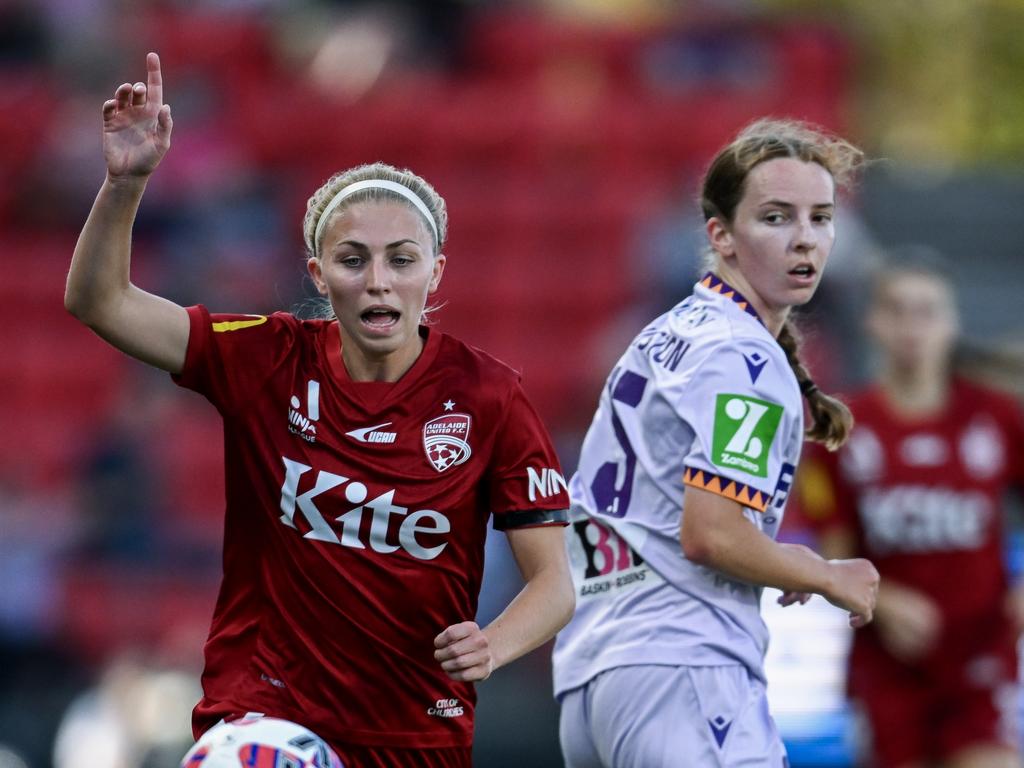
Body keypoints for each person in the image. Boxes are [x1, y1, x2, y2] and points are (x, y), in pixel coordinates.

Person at [65, 52, 575, 768]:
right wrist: (125, 184)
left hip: (414, 732)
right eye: (353, 260)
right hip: (265, 713)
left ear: (435, 272)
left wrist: (495, 643)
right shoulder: (264, 357)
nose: (378, 282)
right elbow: (100, 301)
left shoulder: (489, 395)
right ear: (317, 272)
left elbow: (554, 581)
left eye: (402, 260)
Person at [551, 118, 881, 767]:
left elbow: (683, 517)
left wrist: (775, 561)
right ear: (721, 236)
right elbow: (712, 534)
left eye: (820, 218)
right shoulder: (744, 359)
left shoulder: (670, 332)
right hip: (684, 671)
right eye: (777, 217)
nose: (805, 239)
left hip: (597, 672)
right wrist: (825, 573)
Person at [796, 251, 1024, 768]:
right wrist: (888, 600)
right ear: (873, 322)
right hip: (888, 665)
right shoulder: (842, 429)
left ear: (951, 323)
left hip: (981, 654)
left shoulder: (995, 417)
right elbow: (835, 553)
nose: (912, 327)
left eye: (927, 311)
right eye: (897, 310)